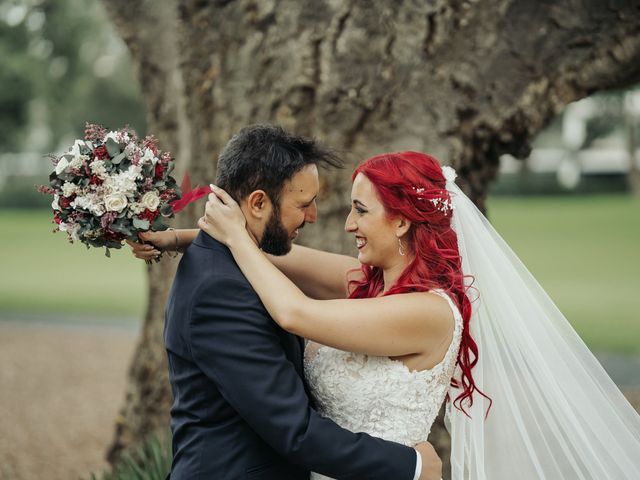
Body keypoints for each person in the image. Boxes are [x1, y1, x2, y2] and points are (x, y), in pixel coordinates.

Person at [136, 149, 640, 478]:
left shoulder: (427, 312)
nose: (347, 224)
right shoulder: (369, 286)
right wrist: (182, 238)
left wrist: (228, 234)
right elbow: (275, 255)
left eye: (361, 210)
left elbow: (293, 312)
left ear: (400, 221)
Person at [141, 126, 442, 480]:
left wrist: (186, 237)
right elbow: (294, 429)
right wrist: (413, 467)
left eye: (360, 211)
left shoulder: (409, 298)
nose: (317, 216)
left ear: (403, 222)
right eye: (304, 204)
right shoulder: (220, 290)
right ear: (257, 203)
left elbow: (294, 269)